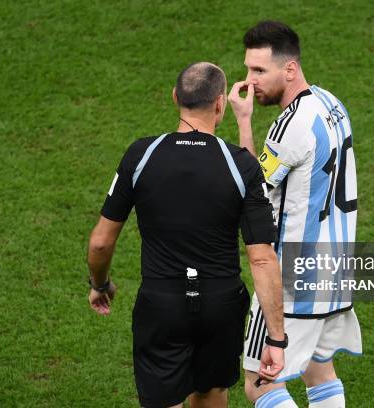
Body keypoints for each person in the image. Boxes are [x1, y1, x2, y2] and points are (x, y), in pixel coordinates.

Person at [86, 62, 286, 408]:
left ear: (175, 96)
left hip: (162, 303)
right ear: (220, 103)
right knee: (211, 393)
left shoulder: (141, 155)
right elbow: (262, 256)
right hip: (220, 303)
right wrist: (277, 339)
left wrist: (100, 284)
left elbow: (101, 241)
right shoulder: (240, 165)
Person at [228, 21, 362, 408]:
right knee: (319, 371)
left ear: (289, 70)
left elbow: (251, 190)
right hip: (336, 269)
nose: (250, 81)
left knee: (261, 383)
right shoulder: (331, 103)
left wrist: (242, 120)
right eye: (248, 69)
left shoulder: (291, 124)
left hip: (292, 279)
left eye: (259, 71)